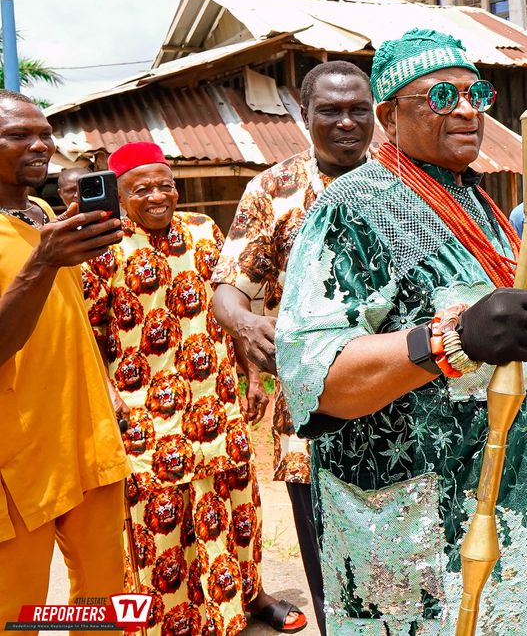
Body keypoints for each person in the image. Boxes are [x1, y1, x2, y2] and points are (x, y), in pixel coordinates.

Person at [274, 28, 527, 636]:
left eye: (477, 94)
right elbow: (316, 377)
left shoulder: (478, 201)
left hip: (516, 527)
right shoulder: (355, 207)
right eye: (441, 97)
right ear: (389, 116)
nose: (467, 109)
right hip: (425, 543)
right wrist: (450, 341)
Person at [84, 141, 304, 636]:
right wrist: (112, 399)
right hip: (145, 413)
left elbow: (233, 309)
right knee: (159, 519)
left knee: (237, 503)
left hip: (216, 400)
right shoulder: (102, 248)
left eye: (165, 184)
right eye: (142, 189)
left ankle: (250, 597)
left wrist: (252, 374)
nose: (158, 195)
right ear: (120, 195)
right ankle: (171, 615)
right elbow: (87, 334)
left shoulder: (205, 232)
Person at [211, 61, 375, 635]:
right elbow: (229, 288)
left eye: (359, 108)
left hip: (407, 409)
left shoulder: (405, 184)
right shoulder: (273, 190)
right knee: (332, 583)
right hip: (316, 423)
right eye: (330, 110)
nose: (347, 122)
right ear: (304, 116)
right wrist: (243, 324)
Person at [0, 90, 128, 627]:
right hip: (16, 457)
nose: (40, 146)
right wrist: (42, 262)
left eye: (45, 134)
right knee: (16, 610)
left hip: (85, 436)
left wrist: (106, 386)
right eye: (18, 136)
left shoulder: (46, 213)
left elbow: (69, 316)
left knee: (104, 599)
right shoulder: (45, 241)